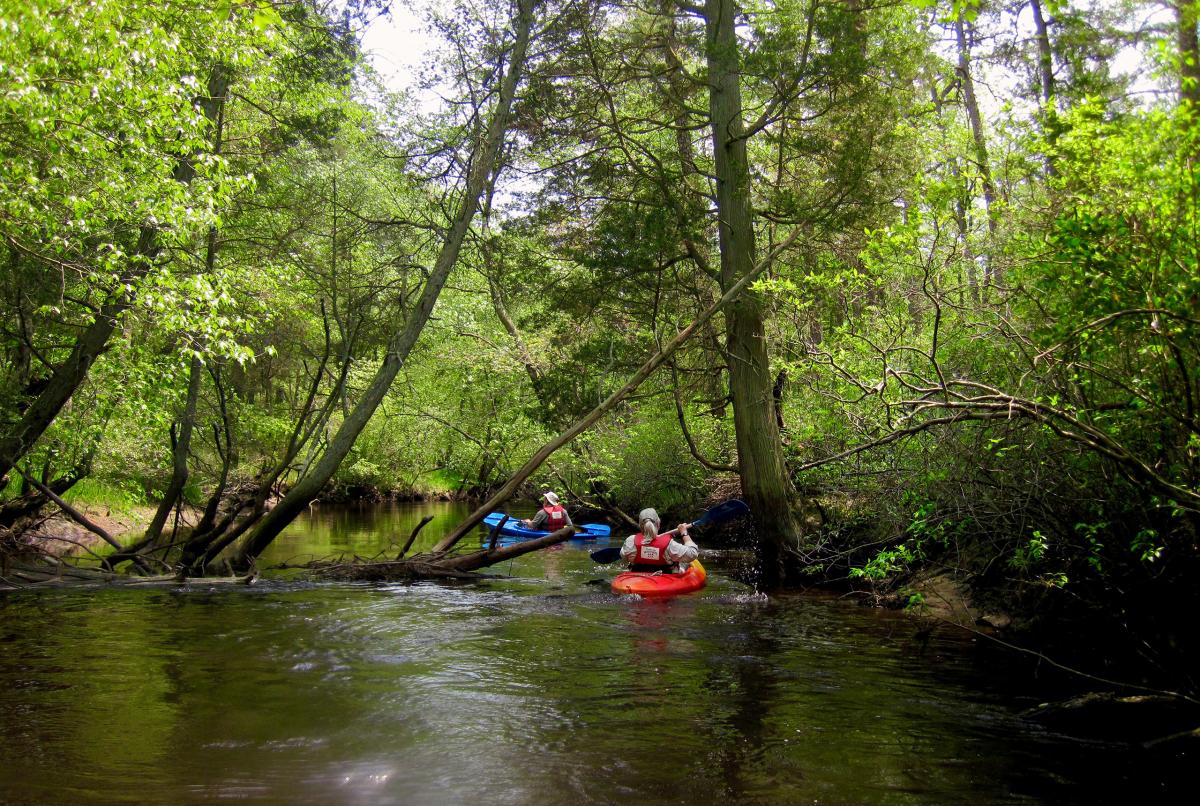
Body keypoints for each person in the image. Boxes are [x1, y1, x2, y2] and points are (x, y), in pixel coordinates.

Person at [620, 507, 698, 573]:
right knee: (686, 562)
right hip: (664, 580)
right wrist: (684, 532)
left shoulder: (630, 541)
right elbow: (693, 553)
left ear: (640, 526)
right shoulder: (669, 544)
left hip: (636, 580)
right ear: (658, 524)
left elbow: (623, 557)